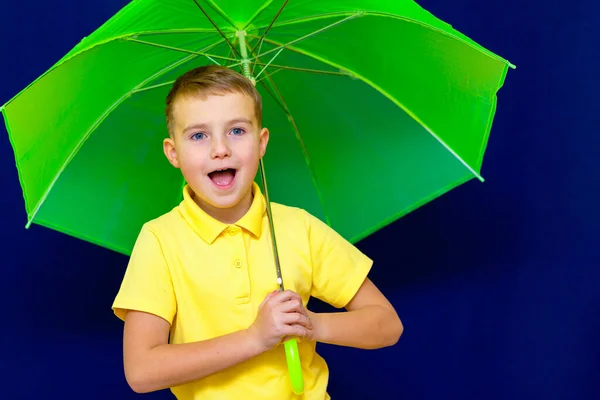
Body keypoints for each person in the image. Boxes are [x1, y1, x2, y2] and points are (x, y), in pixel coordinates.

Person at [111, 65, 403, 399]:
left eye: (236, 131)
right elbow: (141, 371)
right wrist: (254, 338)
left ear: (261, 142)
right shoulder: (159, 240)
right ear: (173, 152)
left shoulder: (299, 228)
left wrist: (311, 324)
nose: (220, 149)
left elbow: (387, 325)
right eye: (198, 135)